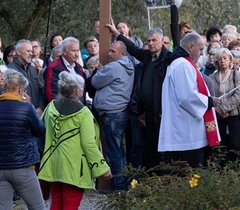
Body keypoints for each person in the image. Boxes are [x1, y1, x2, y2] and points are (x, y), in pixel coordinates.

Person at [0, 69, 72, 210]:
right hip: (23, 167)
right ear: (19, 89)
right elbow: (41, 131)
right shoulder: (25, 109)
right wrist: (34, 112)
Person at [39, 72, 111, 210]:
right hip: (74, 165)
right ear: (78, 92)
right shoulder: (83, 112)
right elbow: (89, 143)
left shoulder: (50, 107)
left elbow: (41, 130)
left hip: (52, 162)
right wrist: (102, 168)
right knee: (71, 203)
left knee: (57, 201)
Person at [106, 21, 171, 169]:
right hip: (145, 113)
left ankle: (163, 182)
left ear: (162, 40)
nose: (151, 44)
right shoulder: (147, 56)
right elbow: (132, 48)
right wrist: (116, 33)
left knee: (161, 149)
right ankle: (149, 180)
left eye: (154, 40)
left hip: (161, 113)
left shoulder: (168, 60)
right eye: (148, 41)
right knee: (147, 149)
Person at [158, 32, 221, 167]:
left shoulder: (183, 63)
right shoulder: (182, 65)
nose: (202, 53)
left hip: (186, 131)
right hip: (185, 134)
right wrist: (210, 101)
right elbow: (186, 97)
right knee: (190, 175)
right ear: (191, 47)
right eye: (201, 48)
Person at [88, 40, 134, 191]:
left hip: (113, 114)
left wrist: (100, 71)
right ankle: (122, 181)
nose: (109, 54)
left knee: (113, 150)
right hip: (119, 111)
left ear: (122, 53)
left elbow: (95, 81)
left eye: (113, 51)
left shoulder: (114, 67)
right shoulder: (126, 66)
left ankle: (118, 184)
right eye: (109, 51)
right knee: (118, 149)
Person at [210, 48, 240, 160]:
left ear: (230, 60)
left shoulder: (236, 75)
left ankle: (236, 170)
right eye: (219, 59)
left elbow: (239, 95)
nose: (222, 61)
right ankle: (221, 172)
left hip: (233, 114)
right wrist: (218, 110)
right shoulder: (211, 78)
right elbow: (210, 96)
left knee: (235, 144)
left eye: (225, 58)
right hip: (218, 116)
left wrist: (223, 109)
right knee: (220, 145)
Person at [7, 39, 45, 114]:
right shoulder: (10, 70)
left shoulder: (33, 69)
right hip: (19, 113)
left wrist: (40, 107)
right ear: (18, 52)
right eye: (28, 51)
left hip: (37, 113)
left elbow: (40, 90)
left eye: (31, 51)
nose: (31, 53)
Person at [44, 37, 86, 103]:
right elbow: (51, 92)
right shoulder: (53, 68)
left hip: (79, 108)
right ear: (64, 52)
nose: (76, 54)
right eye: (73, 51)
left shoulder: (79, 68)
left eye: (77, 51)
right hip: (62, 109)